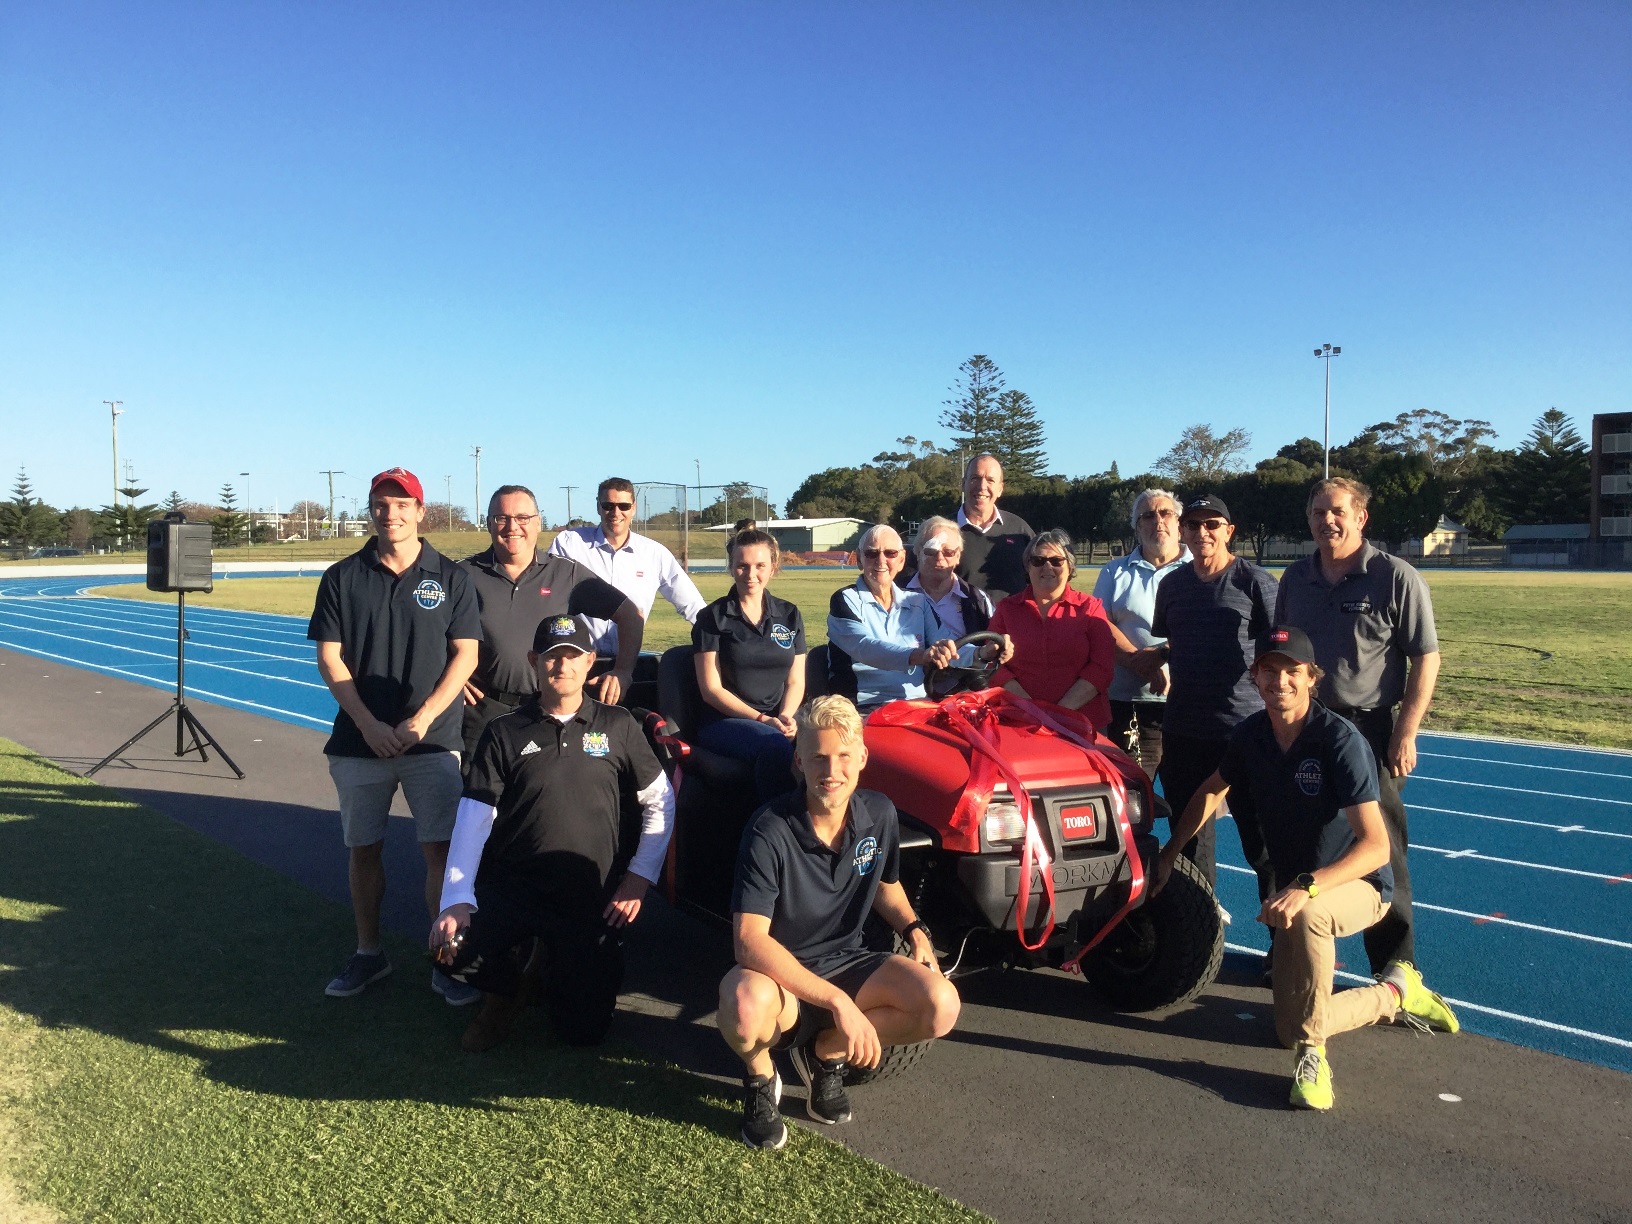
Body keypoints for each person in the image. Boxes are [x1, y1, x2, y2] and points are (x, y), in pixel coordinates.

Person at [1154, 626, 1457, 1111]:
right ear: (1255, 676)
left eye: (1292, 671)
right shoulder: (1251, 735)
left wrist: (1307, 886)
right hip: (1299, 891)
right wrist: (1170, 854)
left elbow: (1377, 847)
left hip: (1358, 885)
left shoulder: (1340, 741)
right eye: (1269, 671)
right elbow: (1212, 791)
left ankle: (1314, 1059)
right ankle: (1397, 991)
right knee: (1286, 1029)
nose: (1280, 682)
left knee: (1310, 938)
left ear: (1312, 678)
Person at [717, 695, 961, 1148]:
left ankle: (824, 1053)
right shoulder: (768, 829)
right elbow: (749, 941)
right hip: (780, 975)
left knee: (941, 1006)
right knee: (742, 1004)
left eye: (844, 757)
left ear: (863, 758)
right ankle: (760, 1079)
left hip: (849, 961)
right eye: (818, 758)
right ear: (800, 762)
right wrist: (838, 1002)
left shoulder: (880, 814)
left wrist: (914, 929)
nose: (832, 770)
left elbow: (886, 886)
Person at [430, 614, 674, 1050]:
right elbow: (473, 814)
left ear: (590, 662)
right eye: (551, 657)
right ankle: (509, 993)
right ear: (533, 661)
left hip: (590, 895)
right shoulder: (503, 731)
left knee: (583, 1033)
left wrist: (640, 876)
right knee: (449, 949)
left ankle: (546, 973)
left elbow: (660, 801)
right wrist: (457, 899)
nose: (561, 666)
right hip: (514, 888)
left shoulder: (618, 726)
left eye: (572, 656)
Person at [308, 467, 482, 1003]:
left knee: (440, 855)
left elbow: (466, 655)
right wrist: (367, 723)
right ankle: (369, 954)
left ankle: (443, 961)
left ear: (421, 511)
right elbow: (329, 657)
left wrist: (423, 718)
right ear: (371, 511)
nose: (392, 513)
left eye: (402, 504)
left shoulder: (451, 577)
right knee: (364, 851)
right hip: (361, 742)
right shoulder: (342, 576)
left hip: (431, 741)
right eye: (382, 504)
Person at [1275, 477, 1441, 974]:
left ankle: (1396, 968)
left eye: (1338, 511)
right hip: (1306, 726)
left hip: (1368, 731)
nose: (1328, 520)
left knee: (1381, 846)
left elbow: (1426, 659)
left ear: (1360, 517)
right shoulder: (1294, 579)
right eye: (1318, 512)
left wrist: (1406, 731)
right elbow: (1283, 654)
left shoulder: (1394, 576)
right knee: (1301, 840)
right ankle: (1289, 954)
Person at [1138, 495, 1278, 885]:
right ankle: (1200, 938)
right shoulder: (1172, 585)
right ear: (1182, 531)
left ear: (1229, 531)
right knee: (1190, 846)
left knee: (1264, 846)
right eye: (1194, 525)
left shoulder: (1257, 583)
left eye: (1212, 524)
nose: (1203, 532)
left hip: (1245, 730)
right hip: (1184, 730)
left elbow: (1280, 652)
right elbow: (1174, 639)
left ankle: (1286, 943)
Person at [459, 485, 642, 758]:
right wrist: (448, 677)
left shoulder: (565, 573)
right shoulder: (463, 574)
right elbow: (427, 631)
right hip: (483, 713)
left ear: (537, 523)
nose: (513, 527)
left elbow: (630, 615)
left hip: (548, 713)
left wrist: (624, 671)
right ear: (488, 523)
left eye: (522, 518)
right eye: (502, 518)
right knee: (480, 799)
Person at [692, 528, 807, 801]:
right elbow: (711, 690)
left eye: (760, 566)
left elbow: (795, 680)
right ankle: (776, 830)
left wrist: (786, 717)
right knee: (775, 747)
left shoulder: (790, 614)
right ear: (731, 567)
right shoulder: (712, 617)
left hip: (779, 720)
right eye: (742, 565)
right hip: (724, 723)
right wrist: (763, 720)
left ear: (773, 568)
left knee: (829, 741)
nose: (751, 574)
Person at [548, 476, 708, 660]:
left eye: (623, 506)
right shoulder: (570, 543)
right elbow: (547, 596)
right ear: (598, 507)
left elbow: (692, 604)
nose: (615, 513)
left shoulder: (654, 553)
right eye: (608, 505)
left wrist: (718, 640)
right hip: (574, 661)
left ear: (634, 508)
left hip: (626, 662)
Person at [1093, 489, 1190, 777]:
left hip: (1189, 705)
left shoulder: (1199, 569)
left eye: (1166, 513)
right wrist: (1141, 662)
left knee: (1190, 804)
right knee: (1132, 801)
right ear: (1137, 527)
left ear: (1179, 524)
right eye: (1147, 516)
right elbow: (1099, 626)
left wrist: (1160, 656)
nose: (1157, 521)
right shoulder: (1114, 572)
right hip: (1129, 705)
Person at [987, 529, 1116, 731]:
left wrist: (1059, 713)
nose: (1047, 566)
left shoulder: (1090, 608)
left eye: (1057, 561)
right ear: (1027, 566)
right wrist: (1031, 710)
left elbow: (1102, 667)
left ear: (1070, 565)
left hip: (1083, 722)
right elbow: (992, 664)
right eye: (1038, 561)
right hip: (1019, 722)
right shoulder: (1006, 609)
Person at [826, 524, 958, 710]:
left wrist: (983, 654)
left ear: (902, 560)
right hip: (862, 707)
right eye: (872, 553)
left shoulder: (918, 601)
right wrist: (919, 656)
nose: (881, 561)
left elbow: (950, 644)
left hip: (917, 704)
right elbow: (864, 647)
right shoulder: (845, 599)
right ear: (859, 560)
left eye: (890, 553)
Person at [953, 453, 1035, 598]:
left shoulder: (1019, 529)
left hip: (1011, 621)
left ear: (1000, 489)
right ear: (963, 484)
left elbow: (1040, 579)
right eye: (975, 478)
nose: (981, 486)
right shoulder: (944, 531)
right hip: (959, 620)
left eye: (990, 480)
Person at [904, 515, 996, 640]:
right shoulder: (895, 593)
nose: (939, 558)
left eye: (948, 552)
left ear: (958, 556)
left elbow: (993, 644)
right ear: (918, 552)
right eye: (931, 551)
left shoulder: (978, 600)